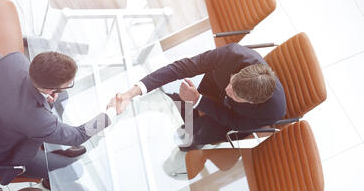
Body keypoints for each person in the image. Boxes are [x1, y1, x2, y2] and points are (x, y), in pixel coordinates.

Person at [0, 51, 118, 191]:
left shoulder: (14, 59)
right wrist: (110, 113)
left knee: (63, 96)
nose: (70, 84)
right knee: (74, 170)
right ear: (48, 89)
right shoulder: (39, 120)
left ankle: (53, 140)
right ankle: (52, 182)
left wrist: (43, 99)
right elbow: (78, 135)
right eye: (69, 83)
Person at [112, 43, 286, 150]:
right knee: (167, 104)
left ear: (251, 102)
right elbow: (182, 68)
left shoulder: (272, 111)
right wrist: (130, 93)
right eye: (231, 83)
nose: (228, 90)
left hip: (224, 121)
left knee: (187, 140)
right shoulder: (232, 55)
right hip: (207, 91)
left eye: (235, 95)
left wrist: (199, 101)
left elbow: (236, 123)